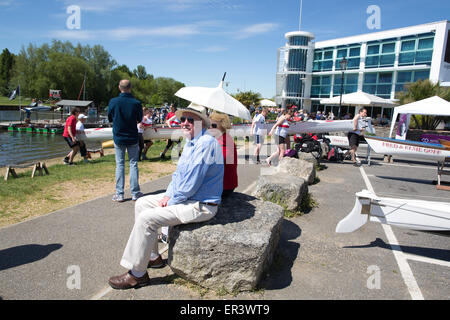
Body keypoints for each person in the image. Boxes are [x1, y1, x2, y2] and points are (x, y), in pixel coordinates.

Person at [108, 103, 224, 290]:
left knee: (147, 219)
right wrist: (169, 195)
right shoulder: (192, 141)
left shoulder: (205, 144)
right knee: (142, 204)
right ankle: (153, 257)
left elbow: (191, 183)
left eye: (190, 120)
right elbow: (179, 176)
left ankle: (137, 274)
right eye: (182, 119)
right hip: (188, 198)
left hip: (201, 204)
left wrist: (170, 200)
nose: (184, 123)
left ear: (202, 123)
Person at [107, 79, 144, 202]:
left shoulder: (113, 101)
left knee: (120, 164)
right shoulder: (136, 103)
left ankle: (120, 193)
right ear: (130, 88)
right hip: (132, 136)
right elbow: (140, 119)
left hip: (118, 136)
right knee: (133, 164)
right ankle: (135, 192)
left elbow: (109, 117)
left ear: (119, 87)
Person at [209, 111, 238, 199]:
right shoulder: (223, 138)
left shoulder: (223, 142)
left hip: (223, 187)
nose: (210, 128)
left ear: (223, 126)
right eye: (209, 125)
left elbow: (214, 164)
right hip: (226, 185)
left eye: (213, 126)